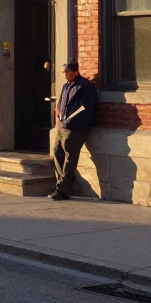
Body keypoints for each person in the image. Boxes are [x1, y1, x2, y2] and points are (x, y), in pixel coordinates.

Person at [50, 61, 97, 200]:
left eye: (67, 72)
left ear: (75, 72)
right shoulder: (66, 86)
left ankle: (62, 190)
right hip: (62, 126)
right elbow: (60, 104)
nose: (65, 75)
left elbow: (87, 108)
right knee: (57, 152)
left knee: (69, 157)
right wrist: (58, 117)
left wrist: (72, 122)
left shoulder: (85, 86)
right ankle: (61, 185)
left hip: (76, 128)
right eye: (63, 72)